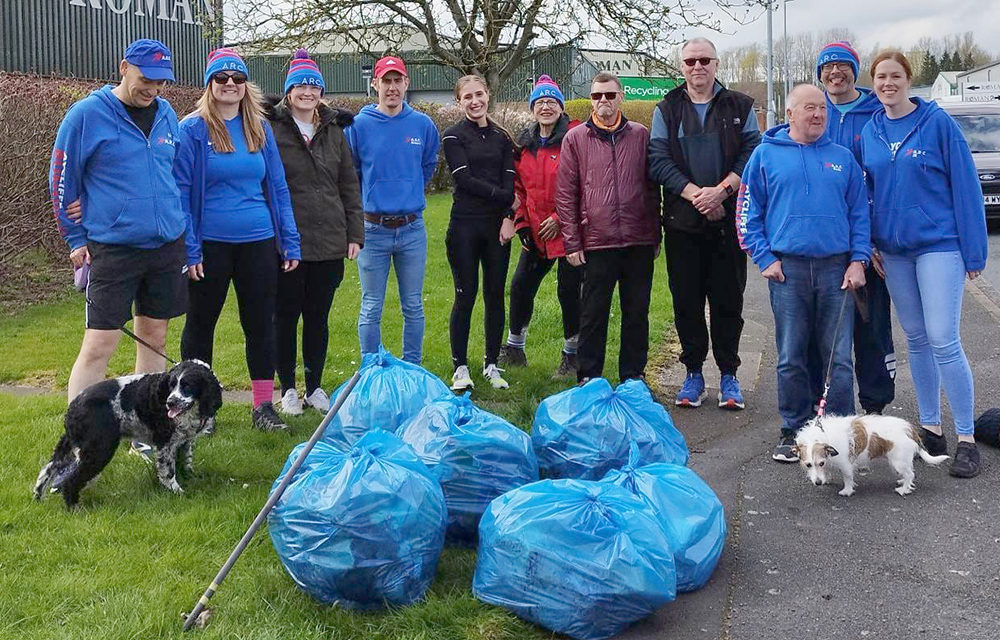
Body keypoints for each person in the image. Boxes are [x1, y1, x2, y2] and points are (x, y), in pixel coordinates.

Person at [860, 50, 988, 478]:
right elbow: (867, 193)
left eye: (895, 76)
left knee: (942, 338)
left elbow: (965, 186)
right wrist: (871, 243)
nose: (887, 83)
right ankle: (931, 428)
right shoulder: (871, 131)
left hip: (939, 246)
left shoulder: (937, 124)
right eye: (880, 77)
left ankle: (967, 438)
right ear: (873, 82)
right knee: (915, 338)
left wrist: (974, 251)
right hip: (894, 252)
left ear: (908, 80)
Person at [737, 84, 870, 463]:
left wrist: (858, 259)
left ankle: (839, 434)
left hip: (836, 270)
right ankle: (794, 429)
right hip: (787, 271)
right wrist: (764, 258)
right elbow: (748, 214)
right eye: (809, 108)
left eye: (822, 109)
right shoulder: (764, 156)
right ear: (790, 114)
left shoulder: (843, 158)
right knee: (791, 355)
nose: (817, 114)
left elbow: (861, 213)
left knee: (839, 360)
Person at [50, 39, 187, 406]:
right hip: (113, 248)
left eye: (161, 82)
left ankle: (147, 427)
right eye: (147, 78)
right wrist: (74, 237)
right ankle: (78, 436)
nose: (153, 89)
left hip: (166, 246)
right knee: (99, 345)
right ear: (124, 67)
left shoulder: (167, 113)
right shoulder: (87, 115)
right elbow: (62, 177)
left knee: (155, 337)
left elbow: (172, 174)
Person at [174, 48, 301, 431]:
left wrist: (289, 240)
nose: (230, 84)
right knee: (200, 325)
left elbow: (277, 187)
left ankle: (262, 407)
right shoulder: (192, 129)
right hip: (210, 244)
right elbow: (180, 192)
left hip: (258, 242)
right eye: (221, 78)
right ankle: (199, 409)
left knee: (260, 324)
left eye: (238, 79)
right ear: (209, 85)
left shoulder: (259, 129)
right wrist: (190, 247)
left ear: (246, 86)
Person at [648, 37, 760, 410]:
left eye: (704, 60)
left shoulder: (741, 107)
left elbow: (752, 154)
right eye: (690, 61)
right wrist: (698, 195)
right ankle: (693, 374)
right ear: (682, 66)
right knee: (687, 303)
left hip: (728, 223)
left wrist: (723, 191)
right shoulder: (667, 109)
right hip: (683, 224)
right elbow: (658, 160)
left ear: (716, 63)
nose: (698, 67)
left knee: (729, 301)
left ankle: (729, 376)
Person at [266, 50, 364, 415]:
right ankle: (288, 388)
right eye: (300, 85)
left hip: (329, 238)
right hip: (288, 242)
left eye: (313, 85)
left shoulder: (335, 131)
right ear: (288, 91)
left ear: (321, 91)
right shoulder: (271, 129)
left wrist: (354, 233)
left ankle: (315, 386)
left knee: (318, 317)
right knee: (285, 315)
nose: (307, 91)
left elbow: (348, 184)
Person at [556, 72, 661, 383]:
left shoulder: (641, 135)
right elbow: (566, 193)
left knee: (637, 313)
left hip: (637, 240)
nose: (603, 101)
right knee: (593, 314)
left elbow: (652, 188)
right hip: (596, 241)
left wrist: (655, 234)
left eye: (610, 95)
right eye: (597, 96)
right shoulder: (575, 138)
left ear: (621, 97)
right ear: (591, 100)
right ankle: (589, 377)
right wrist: (572, 242)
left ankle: (633, 377)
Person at [814, 40, 896, 416]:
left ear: (854, 70)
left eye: (842, 66)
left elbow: (889, 180)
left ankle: (876, 407)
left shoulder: (877, 112)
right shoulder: (815, 113)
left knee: (872, 327)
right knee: (828, 331)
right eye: (827, 67)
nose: (835, 72)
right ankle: (830, 408)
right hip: (829, 243)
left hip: (871, 241)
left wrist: (875, 241)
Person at [345, 56, 440, 364]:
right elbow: (352, 172)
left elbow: (428, 165)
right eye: (386, 81)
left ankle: (412, 369)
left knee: (413, 304)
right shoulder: (359, 126)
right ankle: (370, 370)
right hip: (373, 230)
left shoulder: (422, 125)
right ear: (375, 84)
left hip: (412, 230)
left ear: (406, 84)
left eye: (398, 80)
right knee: (371, 305)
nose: (392, 87)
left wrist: (409, 191)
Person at [499, 75, 583, 378]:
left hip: (571, 229)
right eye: (540, 102)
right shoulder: (524, 145)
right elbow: (519, 189)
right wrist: (521, 223)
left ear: (560, 107)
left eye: (551, 101)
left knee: (570, 290)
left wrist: (561, 219)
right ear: (533, 108)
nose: (546, 107)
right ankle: (515, 349)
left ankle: (572, 355)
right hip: (535, 233)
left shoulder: (576, 138)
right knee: (521, 286)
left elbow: (586, 185)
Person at [441, 75, 516, 391]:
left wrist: (510, 215)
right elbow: (466, 180)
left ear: (488, 95)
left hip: (496, 227)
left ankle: (492, 364)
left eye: (479, 94)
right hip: (465, 227)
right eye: (467, 97)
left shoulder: (502, 137)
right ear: (459, 101)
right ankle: (460, 367)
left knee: (495, 295)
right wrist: (506, 199)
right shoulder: (453, 136)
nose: (475, 101)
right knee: (465, 294)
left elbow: (510, 179)